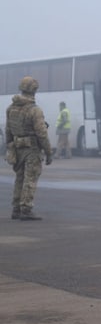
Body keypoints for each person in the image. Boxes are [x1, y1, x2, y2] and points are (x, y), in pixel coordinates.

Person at [5, 76, 53, 220]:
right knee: (30, 178)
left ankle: (16, 208)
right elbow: (42, 134)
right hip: (32, 149)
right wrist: (49, 152)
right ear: (34, 90)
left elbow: (8, 130)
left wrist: (9, 147)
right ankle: (26, 209)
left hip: (17, 147)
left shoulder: (11, 108)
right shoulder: (35, 110)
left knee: (19, 178)